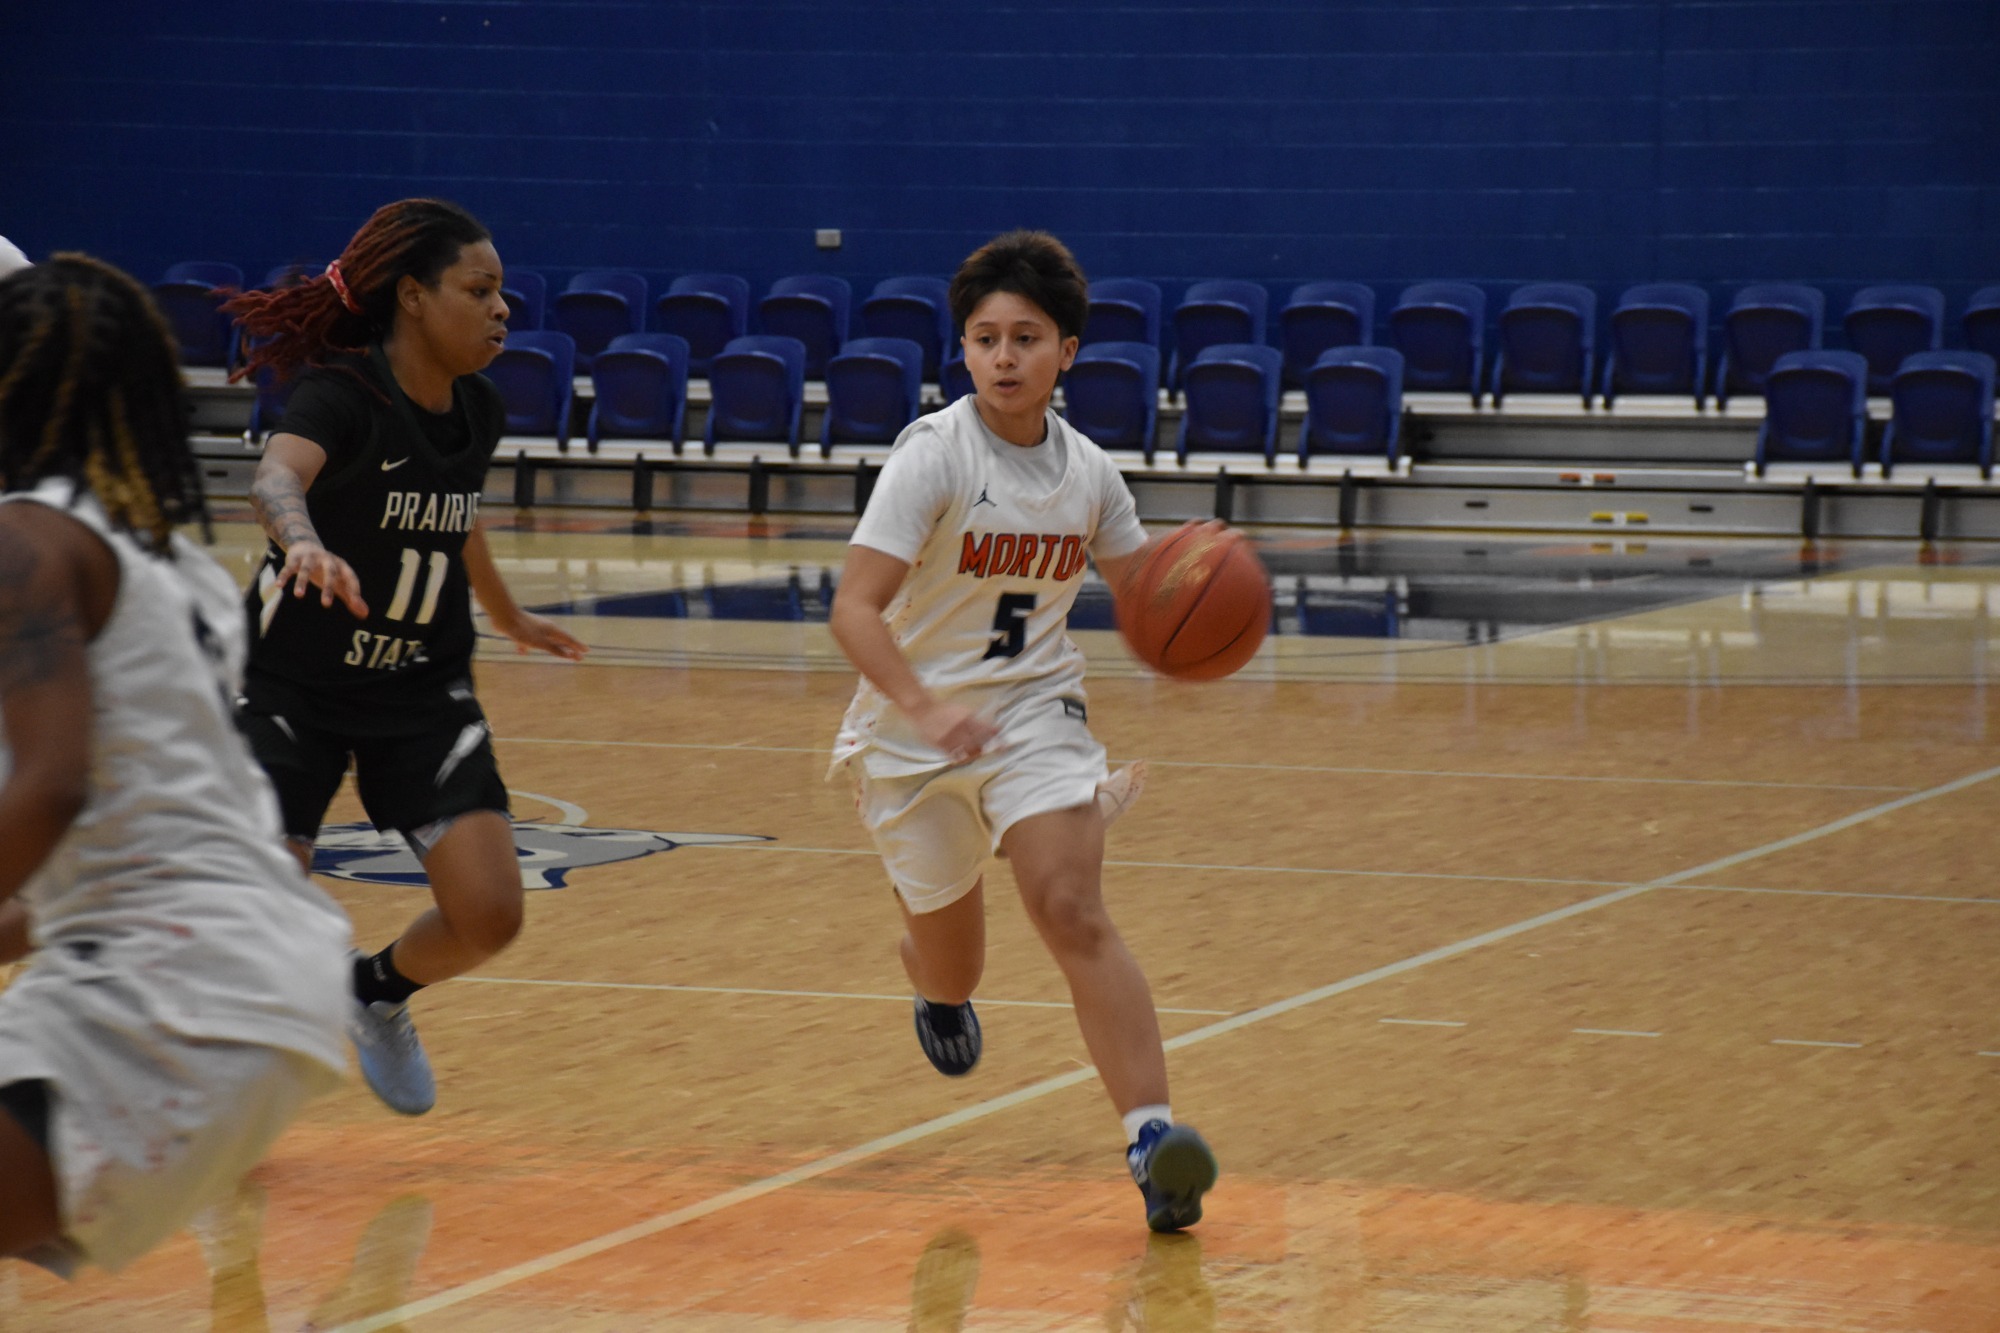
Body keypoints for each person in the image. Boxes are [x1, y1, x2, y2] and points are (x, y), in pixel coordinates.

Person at [827, 230, 1218, 1231]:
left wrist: (1196, 593)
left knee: (1069, 905)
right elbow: (854, 610)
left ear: (1067, 352)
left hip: (1032, 721)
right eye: (984, 338)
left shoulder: (1088, 473)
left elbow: (1143, 599)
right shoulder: (933, 456)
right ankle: (937, 991)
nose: (1003, 357)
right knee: (952, 962)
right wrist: (923, 708)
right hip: (911, 736)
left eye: (1026, 338)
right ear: (962, 350)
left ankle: (1150, 1138)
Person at [0, 254, 351, 1275]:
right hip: (252, 973)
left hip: (174, 987)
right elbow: (134, 845)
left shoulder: (29, 539)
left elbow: (52, 785)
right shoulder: (176, 566)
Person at [223, 198, 585, 1117]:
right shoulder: (341, 394)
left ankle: (374, 991)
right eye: (482, 289)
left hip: (420, 686)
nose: (504, 309)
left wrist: (509, 614)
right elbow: (275, 477)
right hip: (291, 685)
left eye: (504, 291)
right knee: (259, 902)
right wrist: (299, 541)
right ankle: (206, 1081)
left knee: (490, 915)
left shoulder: (479, 406)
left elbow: (453, 519)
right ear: (414, 296)